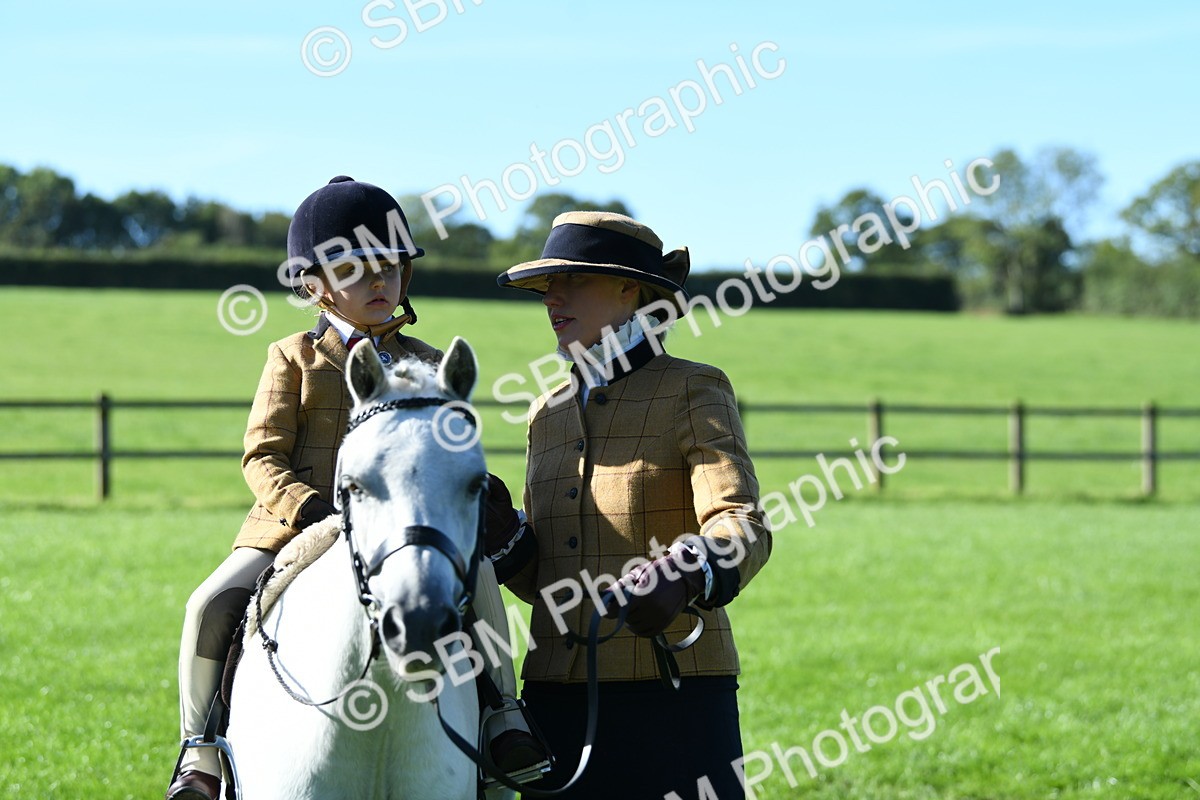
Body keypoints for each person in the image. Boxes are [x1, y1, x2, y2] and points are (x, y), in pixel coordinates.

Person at [166, 176, 548, 800]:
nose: (379, 283)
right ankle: (200, 752)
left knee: (475, 578)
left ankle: (503, 715)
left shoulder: (424, 364)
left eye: (390, 269)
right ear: (314, 286)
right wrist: (319, 513)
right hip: (294, 528)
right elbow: (261, 457)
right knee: (208, 604)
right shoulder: (293, 357)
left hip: (399, 531)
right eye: (356, 269)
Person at [488, 211, 772, 799]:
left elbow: (742, 523)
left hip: (674, 697)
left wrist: (687, 572)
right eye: (547, 286)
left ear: (631, 289)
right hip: (552, 701)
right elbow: (550, 578)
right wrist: (505, 543)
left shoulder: (694, 387)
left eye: (574, 280)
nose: (553, 297)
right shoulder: (546, 413)